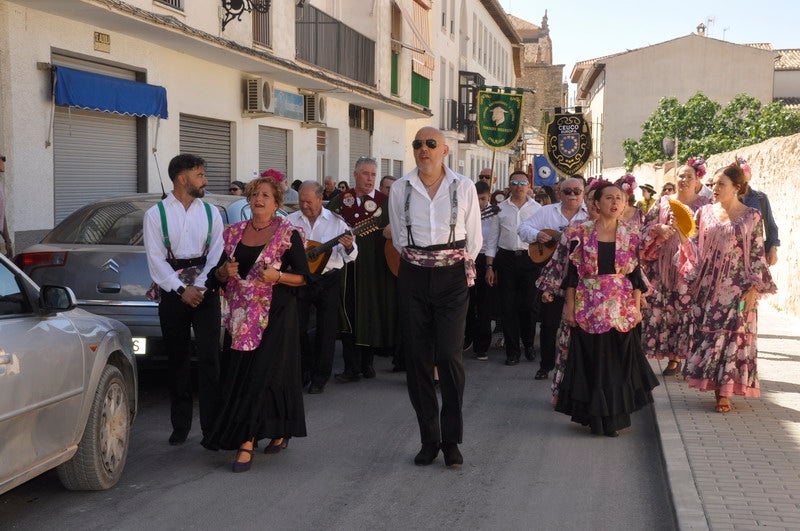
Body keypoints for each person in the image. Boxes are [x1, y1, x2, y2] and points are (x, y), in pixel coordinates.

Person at [202, 175, 309, 472]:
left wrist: (278, 276)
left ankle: (247, 442)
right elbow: (215, 276)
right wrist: (223, 272)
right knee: (240, 374)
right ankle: (271, 429)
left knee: (264, 375)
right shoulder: (233, 233)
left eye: (265, 195)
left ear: (276, 203)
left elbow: (304, 277)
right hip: (240, 317)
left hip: (276, 313)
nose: (259, 199)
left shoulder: (288, 233)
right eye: (254, 195)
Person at [389, 126, 481, 467]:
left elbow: (475, 238)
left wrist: (450, 264)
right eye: (418, 144)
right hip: (413, 274)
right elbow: (399, 238)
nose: (423, 149)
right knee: (417, 359)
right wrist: (419, 263)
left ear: (444, 150)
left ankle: (451, 439)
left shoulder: (464, 186)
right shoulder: (400, 188)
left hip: (452, 274)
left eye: (430, 144)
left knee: (448, 355)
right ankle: (429, 439)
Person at [555, 181, 658, 437]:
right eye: (609, 198)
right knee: (592, 362)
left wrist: (636, 307)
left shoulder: (631, 234)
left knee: (616, 364)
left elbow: (635, 275)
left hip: (620, 308)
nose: (614, 202)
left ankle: (613, 418)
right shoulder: (580, 232)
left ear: (624, 204)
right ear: (596, 204)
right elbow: (572, 275)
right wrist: (570, 307)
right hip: (588, 306)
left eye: (619, 198)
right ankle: (594, 417)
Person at [679, 163, 776, 413]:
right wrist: (681, 237)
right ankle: (715, 386)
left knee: (733, 336)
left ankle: (724, 392)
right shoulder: (704, 212)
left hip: (738, 285)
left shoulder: (752, 216)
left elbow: (757, 254)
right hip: (708, 285)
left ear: (736, 187)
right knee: (711, 336)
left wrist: (754, 288)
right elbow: (693, 246)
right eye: (713, 184)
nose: (715, 188)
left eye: (721, 184)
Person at [143, 154, 224, 445]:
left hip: (205, 290)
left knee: (210, 359)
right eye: (199, 175)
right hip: (173, 292)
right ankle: (180, 426)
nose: (205, 180)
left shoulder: (212, 212)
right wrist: (181, 290)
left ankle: (212, 428)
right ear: (182, 178)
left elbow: (217, 253)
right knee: (177, 359)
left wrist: (199, 287)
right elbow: (156, 261)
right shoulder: (155, 214)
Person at [327, 156, 395, 382]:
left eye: (373, 174)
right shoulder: (340, 200)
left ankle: (368, 363)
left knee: (371, 312)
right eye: (365, 173)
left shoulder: (385, 202)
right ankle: (351, 367)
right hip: (347, 268)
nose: (370, 178)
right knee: (349, 314)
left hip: (375, 267)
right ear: (355, 174)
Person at [640, 163, 710, 375]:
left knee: (685, 309)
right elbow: (644, 227)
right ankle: (669, 357)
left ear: (697, 180)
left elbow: (709, 235)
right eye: (681, 176)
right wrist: (658, 229)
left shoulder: (706, 205)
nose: (684, 180)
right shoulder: (663, 202)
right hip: (661, 265)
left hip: (689, 267)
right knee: (662, 309)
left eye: (689, 176)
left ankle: (684, 357)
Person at [288, 181, 357, 394]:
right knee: (298, 327)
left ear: (320, 199)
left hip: (328, 279)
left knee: (326, 329)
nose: (304, 205)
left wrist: (348, 246)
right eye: (301, 201)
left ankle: (320, 377)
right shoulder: (290, 221)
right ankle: (303, 371)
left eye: (309, 201)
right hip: (300, 279)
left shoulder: (337, 223)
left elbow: (352, 255)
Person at [518, 177, 589, 380]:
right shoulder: (547, 211)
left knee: (580, 322)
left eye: (577, 191)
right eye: (567, 191)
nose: (572, 195)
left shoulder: (590, 215)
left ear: (583, 193)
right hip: (554, 276)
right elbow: (523, 228)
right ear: (559, 193)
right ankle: (546, 365)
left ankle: (576, 366)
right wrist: (537, 235)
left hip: (580, 277)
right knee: (549, 323)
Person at [485, 170, 541, 366]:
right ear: (509, 186)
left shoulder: (537, 208)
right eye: (515, 183)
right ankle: (512, 351)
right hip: (506, 259)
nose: (519, 187)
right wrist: (489, 266)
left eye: (522, 183)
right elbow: (492, 240)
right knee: (508, 306)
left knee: (529, 305)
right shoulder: (500, 209)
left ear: (528, 186)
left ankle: (528, 344)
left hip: (530, 260)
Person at [465, 180, 496, 360]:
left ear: (489, 197)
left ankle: (482, 345)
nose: (480, 203)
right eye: (476, 199)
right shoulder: (467, 212)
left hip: (486, 258)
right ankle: (467, 337)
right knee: (467, 301)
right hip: (468, 257)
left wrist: (491, 266)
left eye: (483, 199)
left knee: (485, 303)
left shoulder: (495, 214)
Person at [737, 157, 779, 266]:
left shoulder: (760, 198)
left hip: (756, 253)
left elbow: (770, 225)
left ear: (750, 176)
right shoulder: (730, 199)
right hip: (734, 253)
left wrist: (772, 249)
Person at [0, 154, 11, 258]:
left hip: (1, 217)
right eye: (1, 161)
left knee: (8, 241)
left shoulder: (0, 182)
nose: (3, 163)